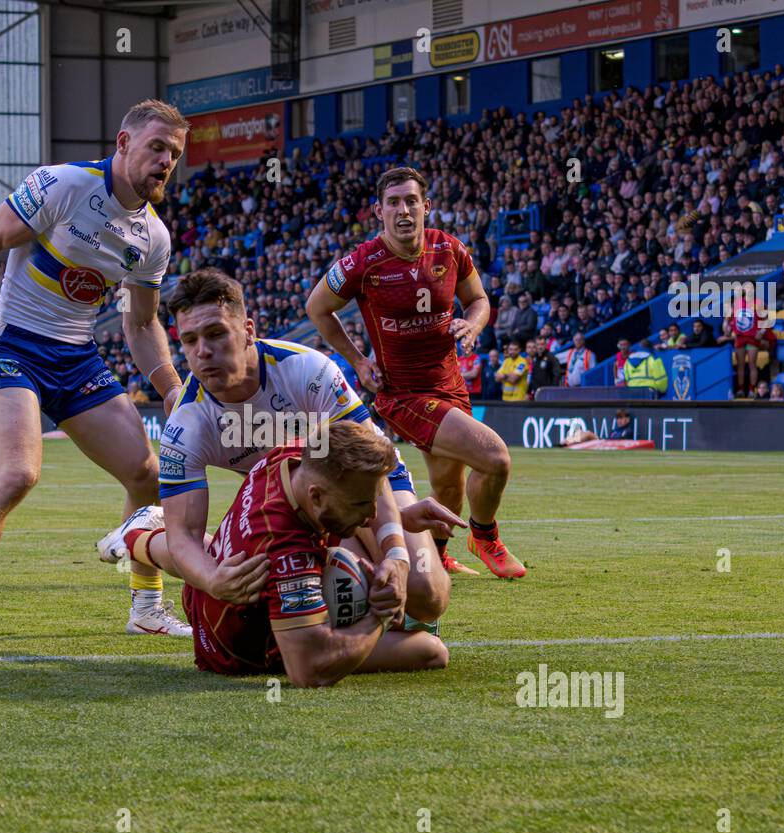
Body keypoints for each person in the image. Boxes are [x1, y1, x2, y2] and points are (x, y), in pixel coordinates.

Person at [0, 99, 192, 647]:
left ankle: (147, 607)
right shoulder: (63, 185)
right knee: (19, 472)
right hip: (14, 347)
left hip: (76, 360)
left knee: (147, 473)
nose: (166, 161)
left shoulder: (155, 239)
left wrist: (171, 389)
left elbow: (140, 326)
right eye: (157, 148)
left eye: (175, 153)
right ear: (123, 144)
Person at [100, 267, 466, 632]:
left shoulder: (308, 371)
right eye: (190, 340)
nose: (203, 352)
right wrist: (213, 579)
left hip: (365, 481)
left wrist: (397, 550)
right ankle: (146, 534)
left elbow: (370, 466)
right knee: (262, 585)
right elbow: (184, 537)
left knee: (426, 593)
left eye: (216, 334)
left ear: (248, 332)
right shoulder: (187, 424)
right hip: (285, 498)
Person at [307, 167, 525, 578]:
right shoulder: (362, 262)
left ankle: (437, 555)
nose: (403, 210)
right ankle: (485, 536)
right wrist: (358, 360)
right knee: (495, 458)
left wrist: (473, 325)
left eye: (411, 201)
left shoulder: (450, 250)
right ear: (378, 211)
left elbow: (478, 300)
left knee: (448, 486)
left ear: (425, 206)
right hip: (403, 393)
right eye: (393, 202)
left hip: (450, 383)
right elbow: (317, 308)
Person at [124, 419, 450, 687]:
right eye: (361, 504)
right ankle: (136, 538)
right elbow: (310, 671)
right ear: (316, 496)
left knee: (203, 555)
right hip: (239, 653)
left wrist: (396, 545)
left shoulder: (295, 454)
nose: (370, 513)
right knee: (430, 650)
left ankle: (135, 537)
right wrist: (377, 618)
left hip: (210, 589)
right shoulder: (287, 553)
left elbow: (362, 496)